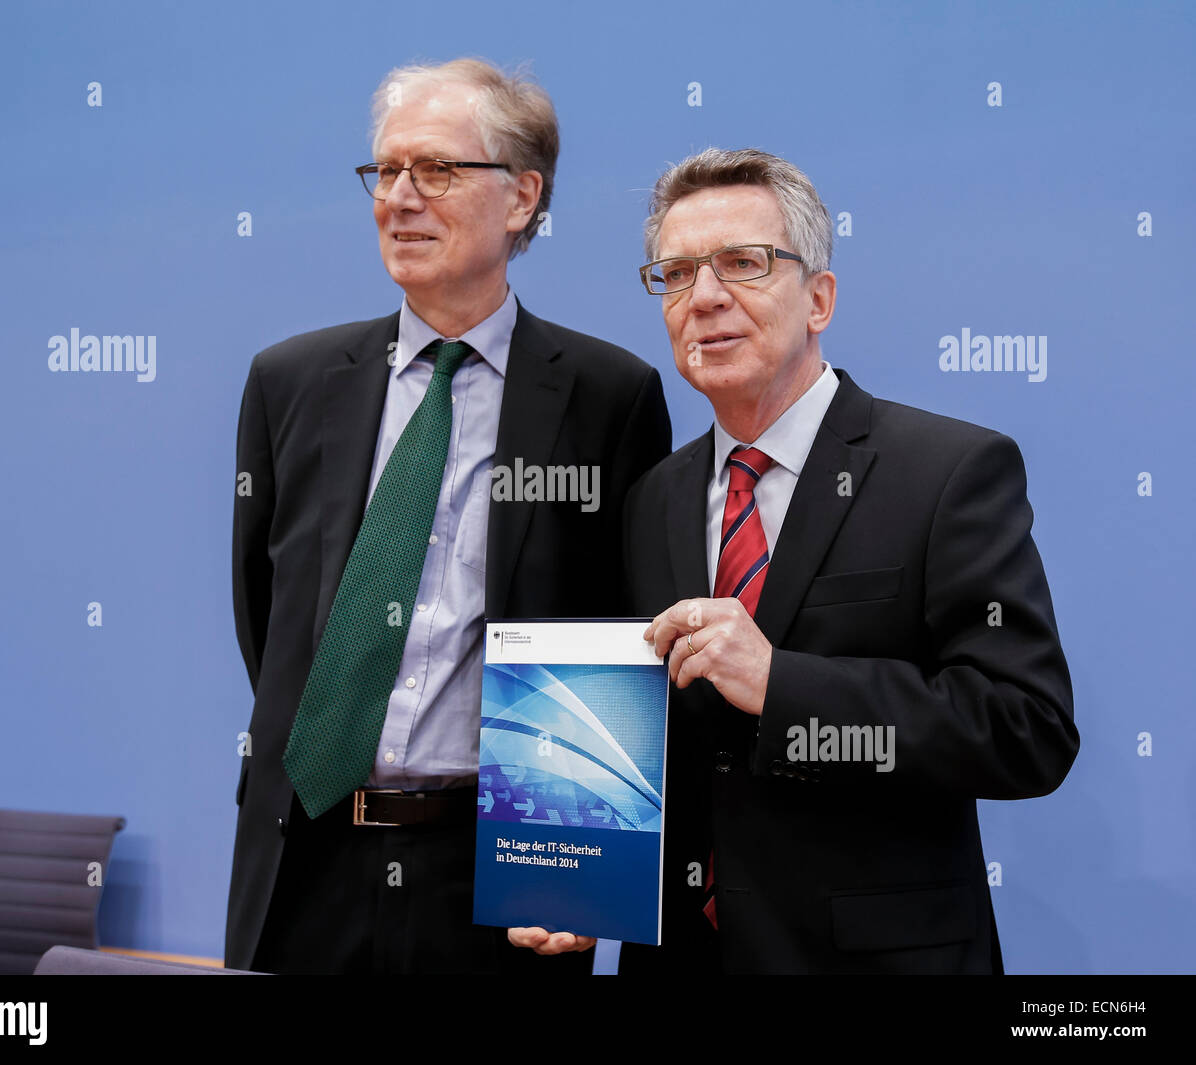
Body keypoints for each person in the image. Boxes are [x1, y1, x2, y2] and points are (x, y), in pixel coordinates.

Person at [513, 147, 1077, 973]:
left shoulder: (947, 471)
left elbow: (1027, 729)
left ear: (819, 298)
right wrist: (585, 876)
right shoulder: (651, 499)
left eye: (743, 263)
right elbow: (650, 739)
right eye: (675, 273)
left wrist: (782, 683)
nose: (705, 297)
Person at [225, 59, 670, 975]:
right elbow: (268, 614)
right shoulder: (291, 382)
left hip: (500, 876)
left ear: (521, 197)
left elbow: (618, 638)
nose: (400, 197)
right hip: (305, 852)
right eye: (385, 172)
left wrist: (580, 870)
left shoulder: (607, 396)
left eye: (435, 170)